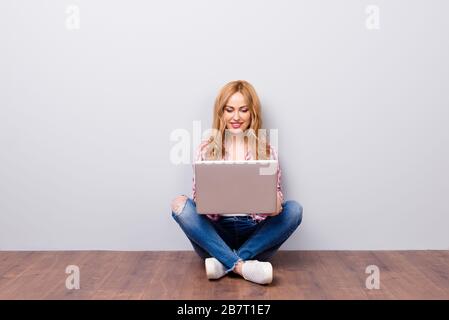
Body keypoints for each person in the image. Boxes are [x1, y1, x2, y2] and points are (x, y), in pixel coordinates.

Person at [171, 80, 303, 285]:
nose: (236, 117)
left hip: (255, 233)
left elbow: (277, 199)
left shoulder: (267, 151)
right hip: (216, 234)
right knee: (179, 204)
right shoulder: (205, 149)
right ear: (221, 113)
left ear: (252, 113)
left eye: (243, 110)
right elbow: (198, 200)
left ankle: (224, 263)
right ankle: (242, 266)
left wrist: (274, 203)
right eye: (229, 109)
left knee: (294, 209)